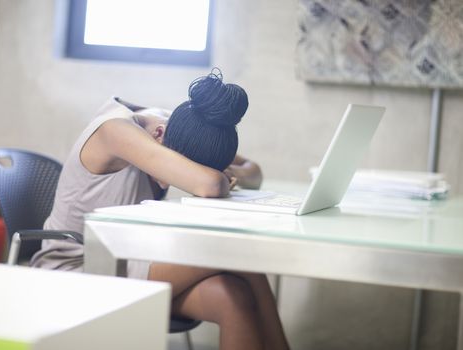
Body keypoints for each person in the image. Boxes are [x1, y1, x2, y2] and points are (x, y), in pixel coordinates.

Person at [31, 69, 290, 350]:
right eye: (173, 169)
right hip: (79, 270)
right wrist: (210, 176)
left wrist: (217, 170)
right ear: (159, 134)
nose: (169, 179)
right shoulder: (114, 130)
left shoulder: (178, 126)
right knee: (239, 254)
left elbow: (254, 172)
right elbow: (211, 185)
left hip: (132, 259)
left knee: (233, 297)